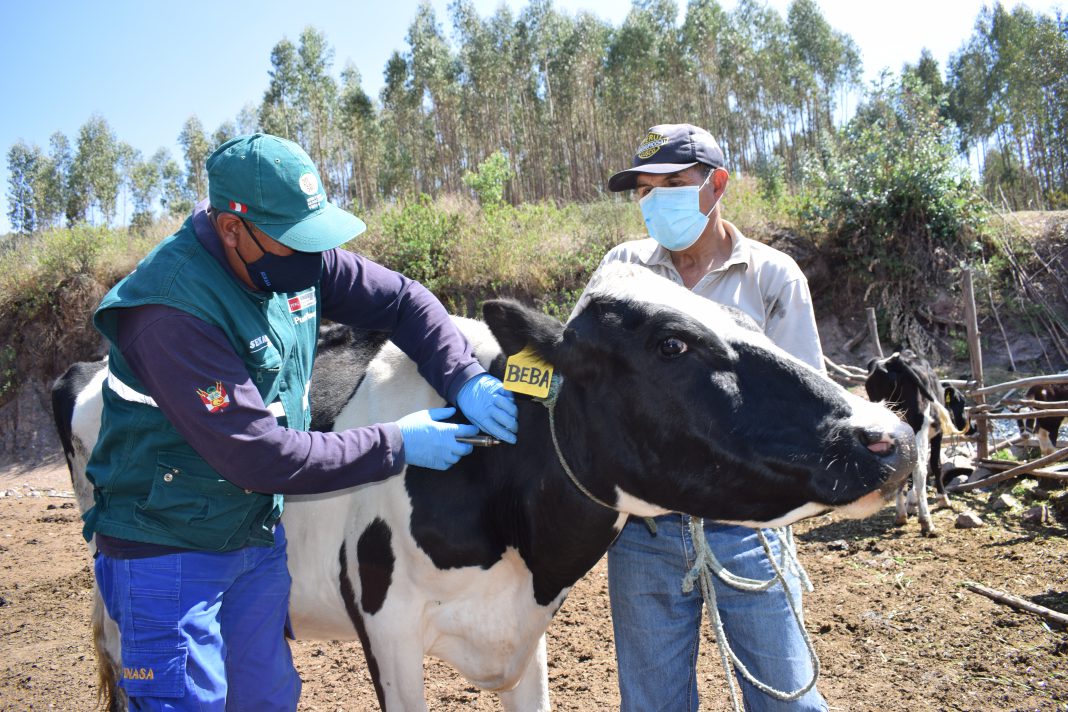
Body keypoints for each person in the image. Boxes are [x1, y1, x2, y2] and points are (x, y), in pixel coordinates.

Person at [82, 133, 518, 710]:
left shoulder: (289, 258)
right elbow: (259, 455)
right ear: (232, 229)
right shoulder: (171, 311)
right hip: (168, 551)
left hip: (252, 541)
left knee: (267, 700)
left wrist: (462, 374)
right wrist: (398, 443)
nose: (314, 260)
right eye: (294, 243)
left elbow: (403, 300)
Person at [582, 123, 829, 712]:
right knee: (652, 706)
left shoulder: (771, 278)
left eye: (671, 183)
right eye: (643, 190)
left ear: (716, 184)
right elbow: (592, 390)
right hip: (645, 532)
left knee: (786, 701)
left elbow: (807, 415)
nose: (653, 201)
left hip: (749, 531)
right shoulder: (623, 270)